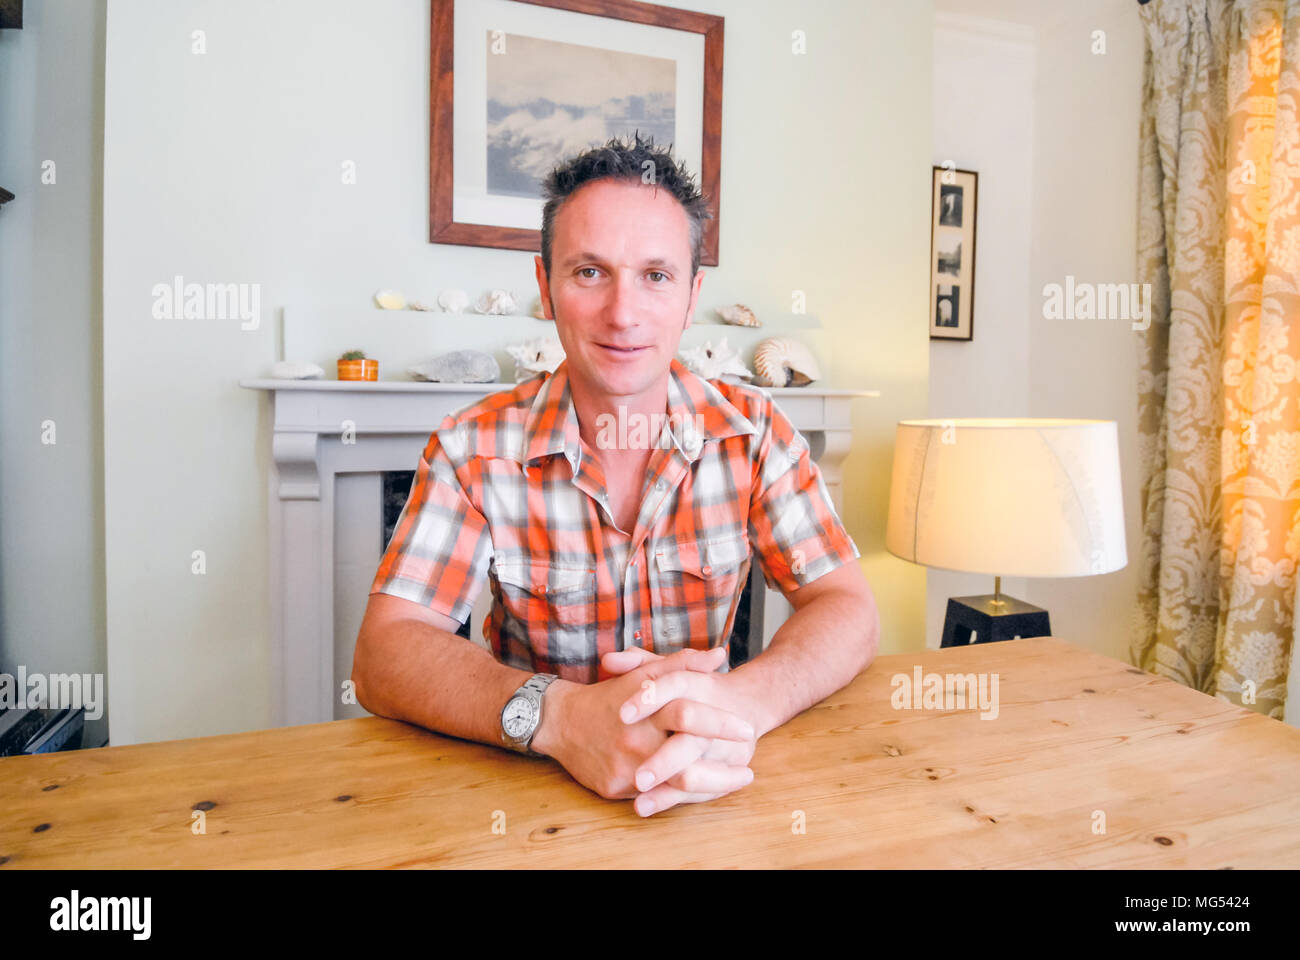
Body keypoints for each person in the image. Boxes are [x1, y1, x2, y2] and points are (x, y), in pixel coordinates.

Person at [352, 132, 879, 818]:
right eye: (590, 272)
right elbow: (383, 655)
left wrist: (741, 703)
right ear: (545, 288)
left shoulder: (755, 435)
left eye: (655, 276)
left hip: (710, 791)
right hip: (525, 799)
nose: (623, 314)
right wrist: (564, 718)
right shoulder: (472, 446)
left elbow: (848, 607)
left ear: (692, 296)